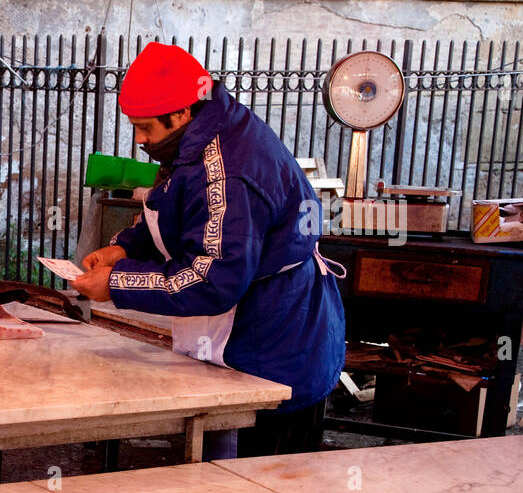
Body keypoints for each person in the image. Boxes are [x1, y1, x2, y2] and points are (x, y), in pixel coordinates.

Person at [71, 41, 346, 458]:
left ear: (180, 113)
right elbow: (175, 205)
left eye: (145, 128)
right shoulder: (198, 132)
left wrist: (118, 283)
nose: (140, 139)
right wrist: (124, 248)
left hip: (272, 348)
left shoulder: (231, 170)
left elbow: (212, 279)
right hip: (235, 338)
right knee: (212, 474)